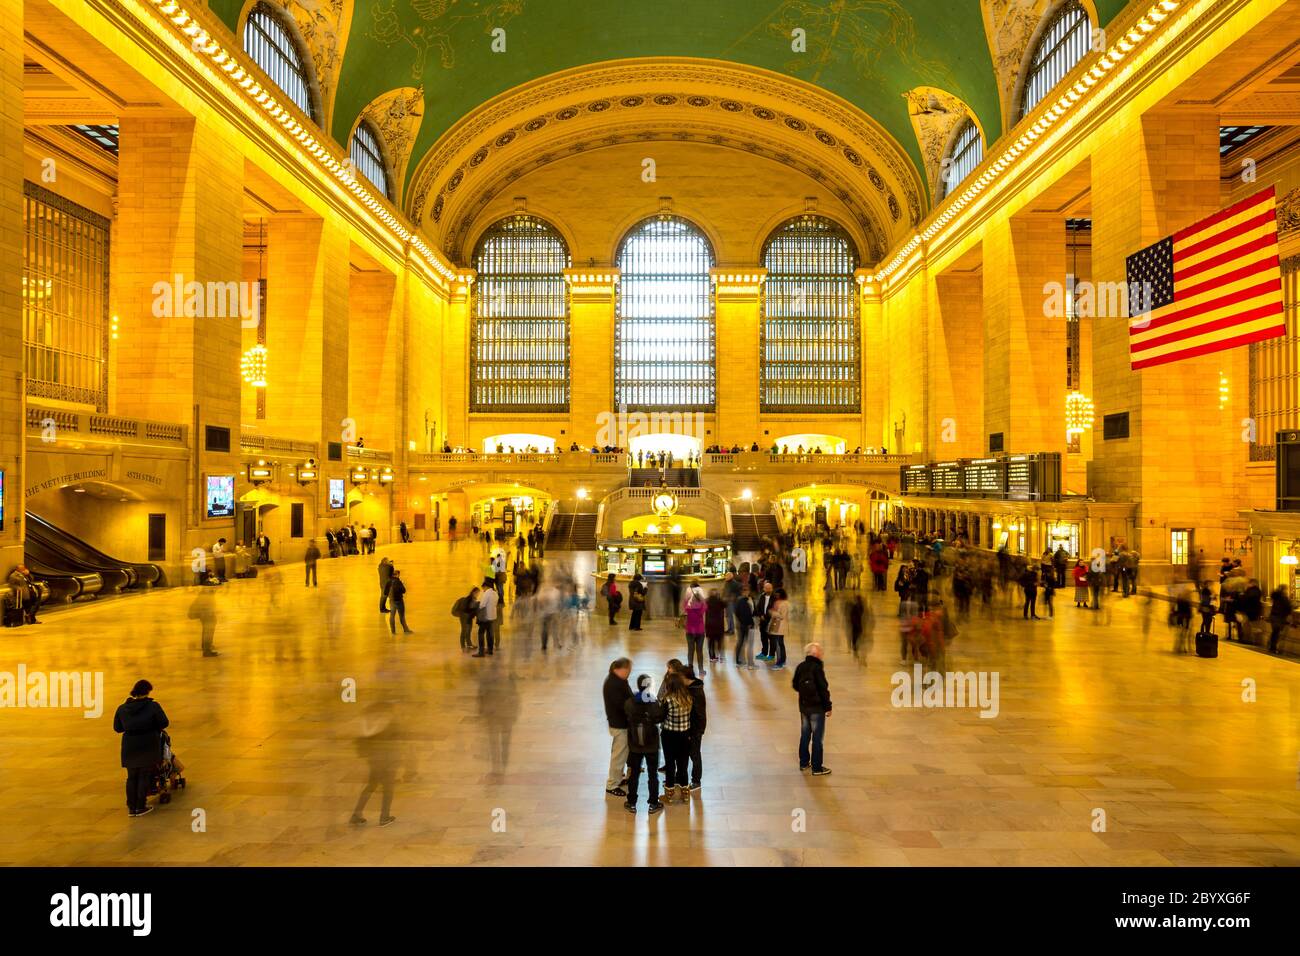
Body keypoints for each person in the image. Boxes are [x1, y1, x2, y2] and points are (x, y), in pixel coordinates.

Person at [113, 679, 169, 817]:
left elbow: (118, 728)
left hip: (129, 746)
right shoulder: (153, 706)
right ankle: (141, 806)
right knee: (144, 775)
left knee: (131, 777)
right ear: (148, 691)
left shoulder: (122, 708)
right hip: (148, 744)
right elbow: (164, 723)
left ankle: (131, 808)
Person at [623, 675, 664, 814]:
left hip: (635, 744)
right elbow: (660, 717)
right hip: (651, 743)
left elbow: (626, 716)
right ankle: (653, 803)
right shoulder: (653, 701)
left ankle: (631, 802)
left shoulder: (630, 702)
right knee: (653, 774)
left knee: (634, 774)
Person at [792, 643, 832, 775]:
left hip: (804, 707)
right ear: (815, 654)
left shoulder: (801, 666)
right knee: (817, 738)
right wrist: (828, 707)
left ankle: (803, 763)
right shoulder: (817, 668)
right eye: (820, 652)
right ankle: (817, 767)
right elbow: (823, 689)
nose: (822, 654)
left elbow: (795, 685)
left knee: (805, 735)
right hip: (817, 708)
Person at [659, 671, 693, 803]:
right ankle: (685, 792)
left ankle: (669, 792)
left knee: (670, 763)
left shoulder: (667, 699)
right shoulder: (688, 697)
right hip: (685, 735)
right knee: (683, 763)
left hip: (669, 735)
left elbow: (662, 716)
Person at [603, 658, 633, 798]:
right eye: (628, 670)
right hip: (619, 724)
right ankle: (612, 784)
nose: (629, 672)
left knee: (620, 753)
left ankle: (617, 778)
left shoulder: (618, 680)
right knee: (619, 755)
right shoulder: (613, 684)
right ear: (619, 669)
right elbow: (622, 704)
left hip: (622, 723)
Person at [685, 666, 707, 792]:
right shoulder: (693, 688)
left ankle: (696, 780)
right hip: (692, 728)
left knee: (694, 754)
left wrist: (696, 731)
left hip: (695, 729)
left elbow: (699, 714)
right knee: (690, 753)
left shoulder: (695, 692)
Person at [682, 584, 707, 675]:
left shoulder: (688, 606)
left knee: (690, 650)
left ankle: (690, 669)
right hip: (700, 630)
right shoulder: (702, 606)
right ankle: (701, 669)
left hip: (690, 630)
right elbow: (705, 605)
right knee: (699, 651)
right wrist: (699, 594)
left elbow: (684, 603)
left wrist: (689, 595)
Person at [187, 585, 219, 657]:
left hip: (204, 611)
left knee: (208, 626)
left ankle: (206, 646)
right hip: (204, 612)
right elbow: (206, 604)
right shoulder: (207, 593)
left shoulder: (207, 592)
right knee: (209, 628)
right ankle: (206, 650)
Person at [733, 584, 757, 669]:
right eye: (744, 590)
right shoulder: (742, 601)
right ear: (742, 591)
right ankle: (747, 663)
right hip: (746, 625)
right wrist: (748, 623)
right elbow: (740, 613)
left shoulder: (748, 599)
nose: (746, 592)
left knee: (742, 642)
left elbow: (752, 612)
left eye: (747, 590)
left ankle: (740, 661)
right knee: (745, 643)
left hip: (744, 624)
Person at [473, 580, 498, 656]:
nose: (483, 590)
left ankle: (481, 652)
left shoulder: (487, 594)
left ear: (486, 586)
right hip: (493, 616)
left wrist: (478, 604)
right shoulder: (495, 593)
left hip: (485, 617)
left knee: (481, 633)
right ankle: (490, 650)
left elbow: (482, 605)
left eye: (483, 588)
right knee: (490, 633)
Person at [767, 587, 790, 669]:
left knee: (779, 645)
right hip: (776, 625)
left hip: (781, 626)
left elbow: (782, 616)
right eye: (775, 595)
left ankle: (780, 662)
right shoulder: (777, 602)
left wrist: (773, 612)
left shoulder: (784, 603)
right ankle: (782, 660)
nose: (776, 596)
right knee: (779, 644)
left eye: (778, 595)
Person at [1268, 584, 1292, 654]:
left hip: (1273, 616)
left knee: (1275, 632)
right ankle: (1273, 647)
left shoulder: (1276, 596)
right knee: (1277, 632)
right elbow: (1288, 607)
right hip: (1279, 617)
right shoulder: (1284, 597)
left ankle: (1271, 646)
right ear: (1284, 589)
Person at [754, 580, 775, 662]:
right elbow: (758, 607)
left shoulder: (775, 598)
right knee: (763, 637)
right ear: (764, 589)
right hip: (762, 621)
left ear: (772, 589)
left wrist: (766, 616)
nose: (768, 590)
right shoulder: (762, 596)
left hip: (771, 621)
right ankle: (764, 653)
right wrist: (760, 615)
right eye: (766, 588)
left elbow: (775, 609)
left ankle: (771, 655)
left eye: (770, 588)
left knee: (772, 638)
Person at [386, 570, 412, 635]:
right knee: (402, 616)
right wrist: (402, 584)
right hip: (399, 601)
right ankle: (406, 630)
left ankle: (393, 631)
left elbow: (385, 592)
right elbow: (404, 591)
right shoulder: (398, 582)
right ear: (397, 575)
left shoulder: (388, 582)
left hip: (392, 601)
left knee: (392, 616)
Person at [704, 589, 726, 665]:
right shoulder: (719, 601)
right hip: (719, 625)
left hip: (709, 625)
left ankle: (712, 657)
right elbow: (725, 604)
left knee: (711, 643)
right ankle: (721, 656)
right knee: (720, 641)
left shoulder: (706, 601)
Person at [455, 586, 480, 651]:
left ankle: (469, 645)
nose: (478, 594)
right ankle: (463, 646)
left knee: (468, 631)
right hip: (464, 617)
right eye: (477, 592)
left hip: (468, 617)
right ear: (473, 592)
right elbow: (467, 609)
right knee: (464, 631)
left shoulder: (473, 599)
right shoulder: (469, 599)